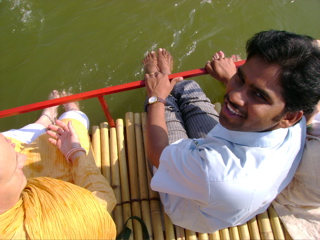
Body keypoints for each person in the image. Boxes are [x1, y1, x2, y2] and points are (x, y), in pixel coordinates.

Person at [143, 30, 320, 233]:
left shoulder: (218, 174)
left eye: (259, 95)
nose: (235, 95)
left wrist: (156, 97)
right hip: (217, 163)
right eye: (241, 78)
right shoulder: (297, 124)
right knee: (187, 87)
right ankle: (167, 78)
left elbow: (157, 153)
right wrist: (229, 78)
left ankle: (157, 77)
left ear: (289, 117)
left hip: (190, 200)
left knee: (164, 104)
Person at [0, 90, 117, 239]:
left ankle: (45, 119)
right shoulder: (67, 222)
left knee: (14, 136)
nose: (22, 156)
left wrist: (8, 155)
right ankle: (72, 110)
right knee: (73, 127)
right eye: (17, 162)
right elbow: (103, 200)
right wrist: (75, 153)